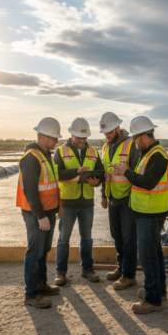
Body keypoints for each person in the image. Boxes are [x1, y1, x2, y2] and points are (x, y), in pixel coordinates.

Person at [109, 116, 168, 314]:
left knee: (147, 256)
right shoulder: (149, 154)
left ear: (144, 136)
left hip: (151, 212)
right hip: (147, 211)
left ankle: (152, 299)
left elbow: (147, 182)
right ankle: (158, 291)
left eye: (136, 138)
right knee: (154, 254)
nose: (134, 142)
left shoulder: (157, 155)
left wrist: (126, 172)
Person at [17, 117, 63, 309]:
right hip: (36, 214)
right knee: (34, 253)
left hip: (48, 211)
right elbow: (30, 190)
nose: (57, 143)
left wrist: (58, 205)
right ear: (44, 137)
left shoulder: (46, 155)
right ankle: (32, 294)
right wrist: (41, 215)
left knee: (43, 251)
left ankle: (41, 284)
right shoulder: (31, 158)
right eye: (54, 139)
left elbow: (52, 183)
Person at [53, 118, 104, 286]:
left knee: (87, 238)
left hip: (87, 203)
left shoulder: (94, 151)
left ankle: (87, 269)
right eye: (78, 137)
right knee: (63, 239)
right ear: (71, 134)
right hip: (67, 203)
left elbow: (101, 174)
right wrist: (77, 171)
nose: (82, 140)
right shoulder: (61, 151)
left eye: (84, 137)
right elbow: (57, 174)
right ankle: (60, 272)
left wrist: (97, 182)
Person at [98, 112, 141, 290]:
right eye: (104, 133)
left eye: (109, 132)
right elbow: (106, 174)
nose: (107, 136)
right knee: (117, 236)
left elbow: (138, 173)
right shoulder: (106, 147)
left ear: (117, 128)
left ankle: (129, 275)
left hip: (128, 199)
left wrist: (134, 198)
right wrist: (103, 195)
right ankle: (122, 268)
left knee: (129, 239)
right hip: (113, 199)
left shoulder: (131, 145)